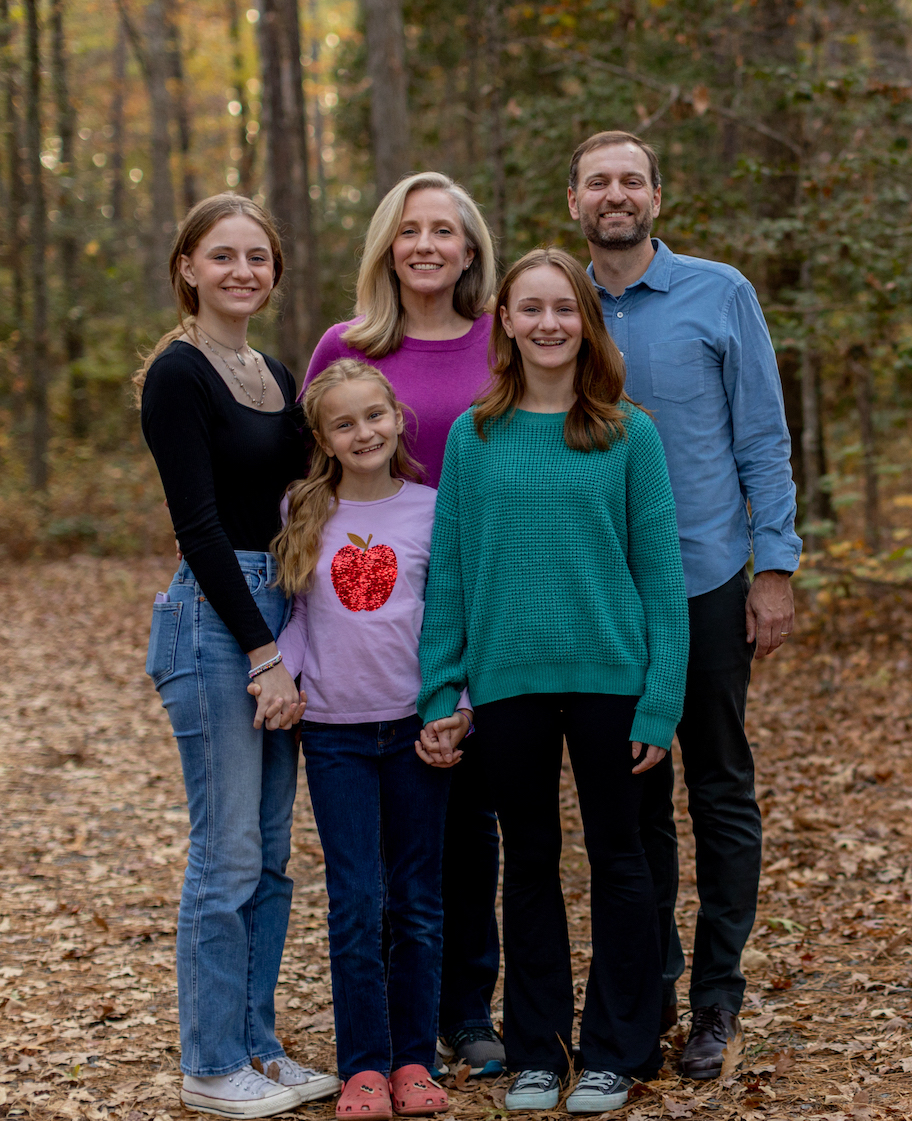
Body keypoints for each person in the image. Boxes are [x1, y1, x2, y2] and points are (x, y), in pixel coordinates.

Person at [416, 247, 690, 1114]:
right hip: (506, 683)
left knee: (620, 860)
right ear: (506, 322)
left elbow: (661, 578)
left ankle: (618, 1048)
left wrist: (661, 696)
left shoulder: (627, 433)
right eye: (529, 308)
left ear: (587, 321)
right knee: (528, 862)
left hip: (613, 679)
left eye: (564, 309)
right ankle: (538, 1049)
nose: (547, 324)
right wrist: (439, 691)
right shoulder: (475, 434)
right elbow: (450, 575)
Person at [566, 130, 802, 1078]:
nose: (615, 195)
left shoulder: (720, 292)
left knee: (719, 786)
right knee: (632, 798)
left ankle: (716, 997)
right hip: (600, 598)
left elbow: (764, 434)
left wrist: (775, 566)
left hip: (705, 580)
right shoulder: (553, 304)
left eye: (630, 179)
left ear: (657, 194)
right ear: (574, 201)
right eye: (598, 183)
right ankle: (649, 981)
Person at [137, 194, 340, 1118]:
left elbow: (298, 496)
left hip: (281, 609)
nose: (242, 272)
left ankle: (258, 1045)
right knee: (223, 855)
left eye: (258, 258)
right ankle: (210, 1058)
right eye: (223, 256)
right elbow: (200, 524)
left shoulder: (276, 369)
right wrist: (261, 651)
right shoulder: (178, 375)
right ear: (188, 266)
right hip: (218, 622)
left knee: (268, 854)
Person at [302, 171, 506, 1079]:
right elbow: (308, 478)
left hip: (488, 598)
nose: (426, 245)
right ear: (388, 245)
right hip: (368, 643)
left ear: (469, 248)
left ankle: (466, 1012)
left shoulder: (503, 335)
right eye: (410, 230)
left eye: (445, 230)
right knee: (384, 857)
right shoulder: (347, 345)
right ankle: (385, 1039)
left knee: (469, 823)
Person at [273, 359, 471, 1119]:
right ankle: (362, 1066)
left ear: (397, 417)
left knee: (418, 901)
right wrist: (280, 675)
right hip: (334, 735)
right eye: (344, 423)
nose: (364, 432)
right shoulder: (304, 506)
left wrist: (455, 708)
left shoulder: (433, 507)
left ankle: (415, 1060)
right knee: (357, 901)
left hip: (418, 730)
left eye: (373, 416)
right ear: (323, 438)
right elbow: (297, 620)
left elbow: (453, 616)